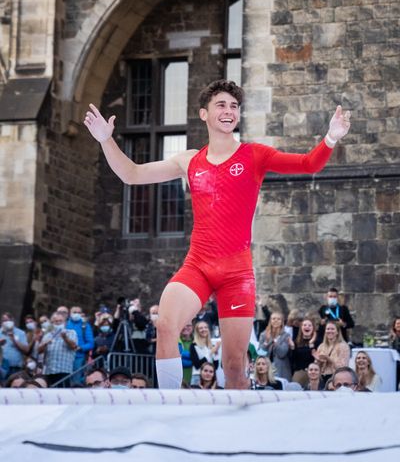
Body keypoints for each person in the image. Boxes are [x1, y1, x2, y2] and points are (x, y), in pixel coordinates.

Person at [84, 79, 351, 389]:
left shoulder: (254, 155)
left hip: (236, 274)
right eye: (221, 105)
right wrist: (105, 140)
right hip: (198, 265)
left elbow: (308, 164)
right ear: (204, 114)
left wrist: (332, 136)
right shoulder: (189, 160)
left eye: (234, 106)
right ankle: (171, 408)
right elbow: (131, 174)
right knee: (167, 325)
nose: (229, 111)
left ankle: (236, 430)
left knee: (234, 365)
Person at [38, 312, 78, 386]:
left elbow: (74, 346)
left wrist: (65, 337)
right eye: (56, 322)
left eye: (60, 321)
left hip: (63, 371)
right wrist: (44, 344)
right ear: (52, 323)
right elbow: (39, 351)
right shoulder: (47, 335)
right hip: (48, 371)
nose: (58, 323)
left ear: (65, 323)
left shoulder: (71, 333)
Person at [257, 311, 293, 381]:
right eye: (273, 319)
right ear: (270, 321)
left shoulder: (286, 336)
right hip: (266, 369)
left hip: (281, 370)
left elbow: (282, 353)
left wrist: (276, 343)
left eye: (278, 319)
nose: (276, 321)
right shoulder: (263, 335)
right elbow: (260, 353)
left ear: (282, 322)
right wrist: (266, 342)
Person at [313, 320, 350, 385]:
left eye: (332, 329)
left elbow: (343, 368)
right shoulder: (321, 346)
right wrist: (318, 361)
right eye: (328, 329)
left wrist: (328, 359)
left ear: (337, 332)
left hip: (336, 378)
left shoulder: (343, 346)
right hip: (322, 378)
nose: (330, 331)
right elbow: (317, 368)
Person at [291, 317, 321, 387]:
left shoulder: (318, 341)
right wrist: (292, 348)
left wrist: (311, 344)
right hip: (300, 372)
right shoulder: (296, 342)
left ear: (313, 328)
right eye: (304, 325)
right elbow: (293, 359)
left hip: (314, 372)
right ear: (301, 328)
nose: (307, 327)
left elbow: (316, 356)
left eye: (309, 325)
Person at [66, 306, 95, 377]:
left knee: (77, 379)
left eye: (79, 312)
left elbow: (91, 343)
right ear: (70, 313)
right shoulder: (65, 324)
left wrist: (81, 348)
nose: (77, 314)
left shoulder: (85, 325)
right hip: (65, 358)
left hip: (79, 357)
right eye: (74, 312)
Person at [189, 321, 220, 386]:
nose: (204, 329)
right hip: (197, 377)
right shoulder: (193, 346)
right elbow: (197, 365)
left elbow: (215, 366)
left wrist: (216, 354)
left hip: (210, 379)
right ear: (197, 331)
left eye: (205, 327)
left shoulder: (212, 346)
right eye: (201, 328)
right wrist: (211, 353)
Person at [0, 312, 29, 377]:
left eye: (8, 320)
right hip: (1, 367)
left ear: (12, 321)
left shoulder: (20, 333)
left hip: (15, 368)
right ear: (2, 322)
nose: (6, 322)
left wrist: (14, 340)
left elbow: (26, 350)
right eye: (4, 321)